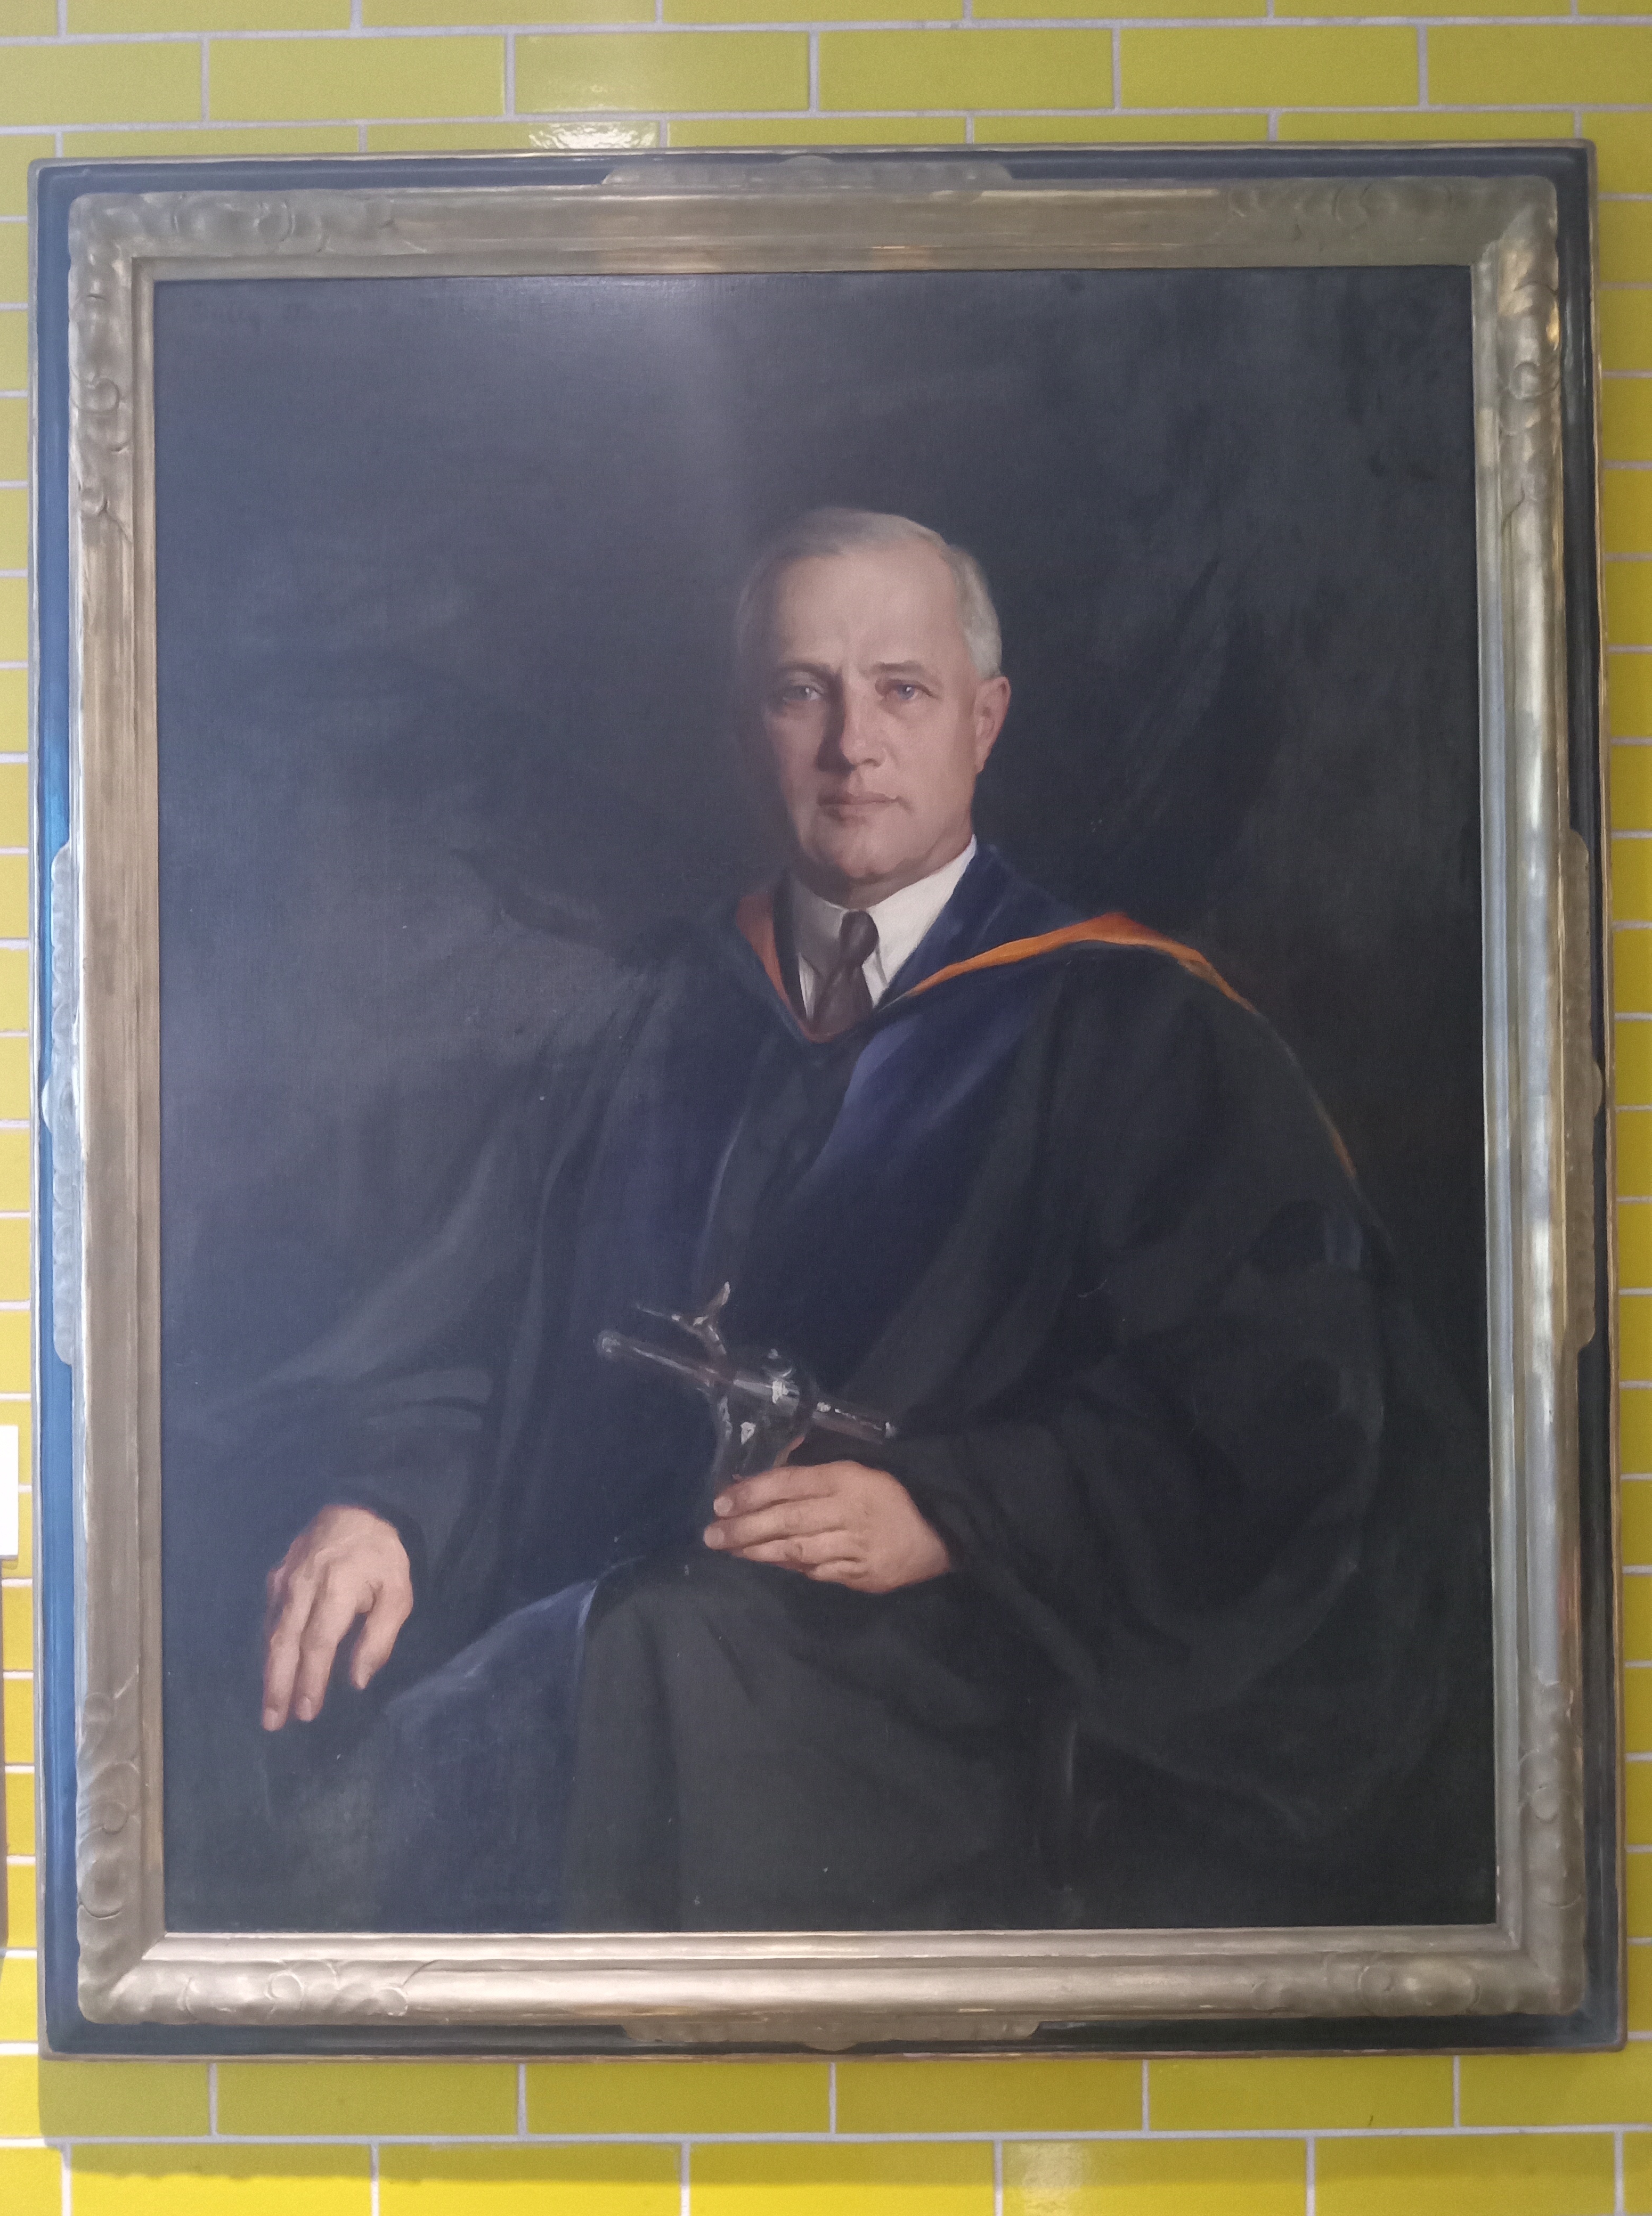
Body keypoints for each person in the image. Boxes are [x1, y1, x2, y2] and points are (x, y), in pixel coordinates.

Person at [255, 507, 1490, 1932]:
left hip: (976, 1682)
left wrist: (953, 1512)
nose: (854, 744)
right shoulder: (655, 1014)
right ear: (748, 732)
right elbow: (480, 1324)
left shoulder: (1132, 1025)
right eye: (804, 691)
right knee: (339, 1686)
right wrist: (387, 1504)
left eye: (902, 690)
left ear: (985, 720)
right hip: (628, 1609)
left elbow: (1282, 1413)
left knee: (649, 1666)